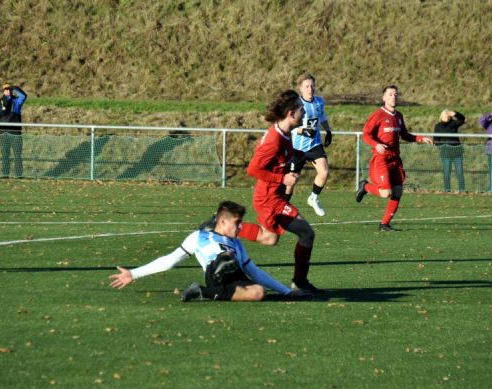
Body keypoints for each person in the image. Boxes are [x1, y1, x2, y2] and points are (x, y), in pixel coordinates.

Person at [109, 201, 306, 302]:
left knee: (259, 293)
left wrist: (287, 292)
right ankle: (221, 266)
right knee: (225, 259)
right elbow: (170, 260)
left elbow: (254, 271)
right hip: (216, 273)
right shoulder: (198, 237)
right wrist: (134, 273)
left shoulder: (236, 243)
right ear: (222, 221)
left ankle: (202, 292)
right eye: (237, 223)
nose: (240, 228)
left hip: (235, 277)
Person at [246, 89, 320, 293]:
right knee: (306, 233)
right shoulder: (274, 140)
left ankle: (223, 227)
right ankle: (299, 283)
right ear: (290, 113)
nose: (304, 114)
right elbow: (253, 169)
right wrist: (282, 178)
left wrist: (301, 154)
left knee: (269, 238)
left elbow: (284, 155)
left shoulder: (284, 133)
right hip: (269, 199)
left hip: (275, 196)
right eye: (301, 110)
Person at [355, 85, 433, 231]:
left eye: (396, 94)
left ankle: (384, 224)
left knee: (397, 191)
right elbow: (366, 134)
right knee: (386, 193)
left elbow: (405, 135)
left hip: (395, 159)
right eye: (390, 94)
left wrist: (421, 138)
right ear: (384, 97)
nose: (394, 97)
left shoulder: (398, 116)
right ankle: (365, 187)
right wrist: (375, 144)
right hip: (381, 158)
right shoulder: (378, 115)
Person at [286, 74, 333, 216]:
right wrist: (302, 130)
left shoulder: (319, 101)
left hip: (314, 144)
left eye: (312, 85)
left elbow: (322, 117)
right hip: (297, 147)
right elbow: (288, 124)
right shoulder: (296, 104)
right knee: (291, 181)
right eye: (307, 86)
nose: (310, 88)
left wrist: (328, 131)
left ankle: (313, 198)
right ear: (300, 88)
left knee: (324, 172)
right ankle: (283, 205)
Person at [0, 83, 27, 178]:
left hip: (15, 132)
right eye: (6, 89)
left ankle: (19, 175)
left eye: (9, 89)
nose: (8, 91)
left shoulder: (17, 101)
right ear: (3, 91)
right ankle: (5, 174)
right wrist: (1, 114)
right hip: (4, 132)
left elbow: (24, 95)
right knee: (5, 154)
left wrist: (14, 87)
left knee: (17, 154)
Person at [433, 110, 466, 193]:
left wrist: (455, 113)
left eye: (449, 115)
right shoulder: (438, 126)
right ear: (441, 116)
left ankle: (462, 190)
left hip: (457, 151)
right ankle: (447, 190)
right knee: (447, 172)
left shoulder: (453, 123)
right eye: (446, 115)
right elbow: (436, 140)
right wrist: (442, 148)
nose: (447, 117)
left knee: (459, 172)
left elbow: (462, 119)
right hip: (446, 153)